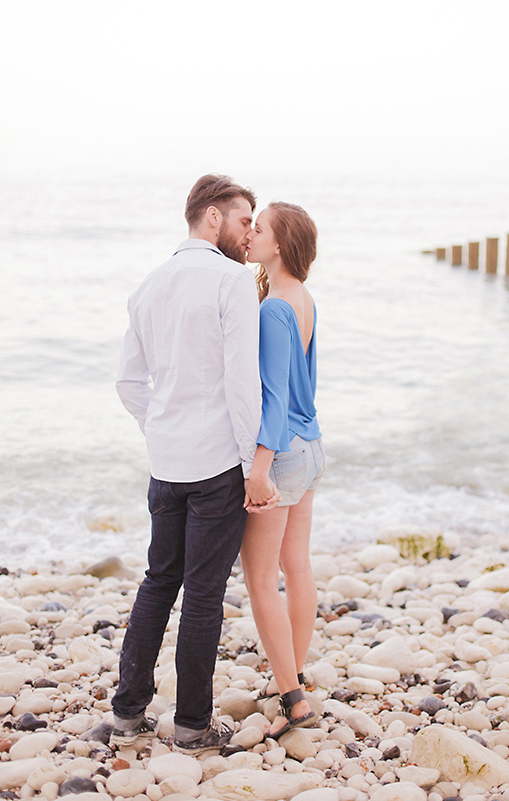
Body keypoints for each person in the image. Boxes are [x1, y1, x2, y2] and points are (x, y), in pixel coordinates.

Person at [110, 174, 279, 755]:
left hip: (167, 463)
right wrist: (251, 466)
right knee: (203, 596)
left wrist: (159, 428)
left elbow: (128, 383)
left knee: (159, 583)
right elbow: (242, 384)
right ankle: (191, 726)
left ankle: (127, 713)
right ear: (212, 217)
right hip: (216, 466)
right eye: (241, 220)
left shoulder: (148, 286)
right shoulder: (232, 281)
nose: (247, 232)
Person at [241, 202, 326, 741]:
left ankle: (292, 697)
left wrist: (260, 468)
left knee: (259, 579)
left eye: (259, 228)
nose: (249, 234)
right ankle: (292, 672)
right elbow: (303, 387)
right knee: (297, 565)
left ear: (280, 245)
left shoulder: (273, 307)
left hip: (283, 451)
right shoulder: (304, 297)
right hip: (312, 443)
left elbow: (272, 396)